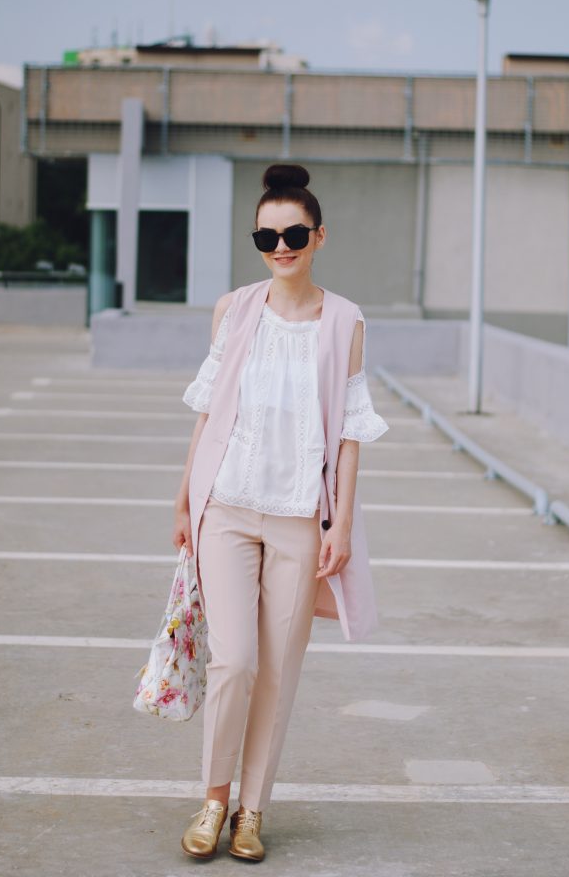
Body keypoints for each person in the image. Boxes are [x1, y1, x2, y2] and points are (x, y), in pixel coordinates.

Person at [171, 163, 389, 862]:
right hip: (227, 509)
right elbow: (208, 411)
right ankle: (213, 798)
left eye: (294, 232)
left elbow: (351, 430)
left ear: (319, 236)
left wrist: (343, 524)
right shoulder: (233, 309)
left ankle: (251, 812)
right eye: (267, 234)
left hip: (299, 518)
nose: (281, 244)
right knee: (234, 661)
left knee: (278, 673)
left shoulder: (346, 321)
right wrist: (184, 499)